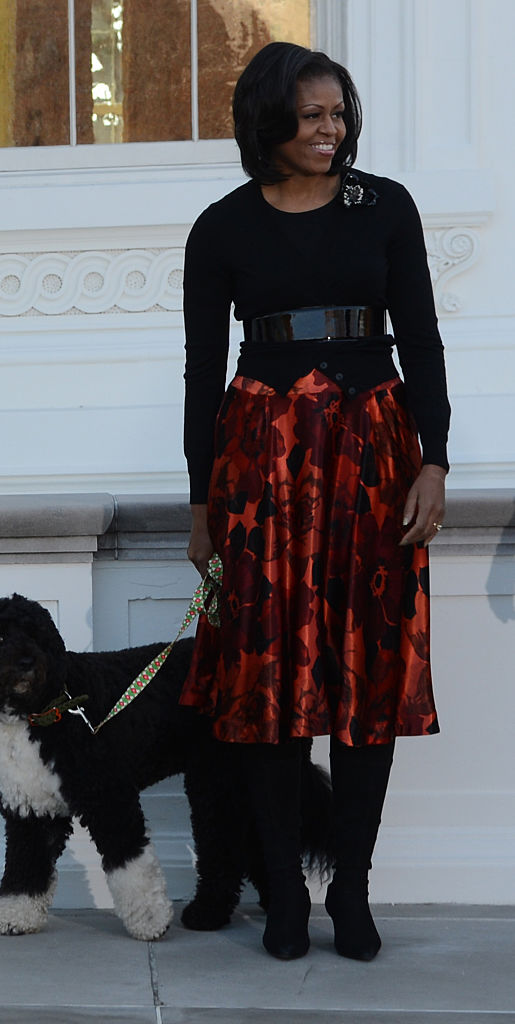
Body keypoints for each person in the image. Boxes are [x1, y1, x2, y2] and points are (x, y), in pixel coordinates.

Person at [179, 42, 449, 962]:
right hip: (260, 466)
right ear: (268, 121)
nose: (330, 129)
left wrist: (435, 461)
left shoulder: (386, 207)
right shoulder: (220, 228)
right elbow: (199, 371)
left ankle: (353, 893)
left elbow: (420, 336)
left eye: (339, 113)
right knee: (270, 684)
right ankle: (286, 894)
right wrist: (199, 503)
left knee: (367, 674)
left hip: (373, 454)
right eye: (312, 115)